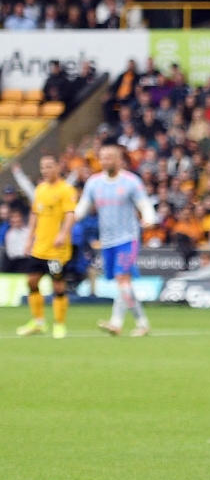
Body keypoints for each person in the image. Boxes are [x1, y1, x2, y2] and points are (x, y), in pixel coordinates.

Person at [75, 140, 156, 337]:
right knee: (124, 283)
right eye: (101, 158)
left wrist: (148, 218)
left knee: (122, 278)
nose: (104, 161)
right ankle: (143, 324)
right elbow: (82, 209)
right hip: (107, 241)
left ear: (119, 160)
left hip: (128, 239)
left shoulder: (130, 182)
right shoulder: (94, 183)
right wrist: (67, 218)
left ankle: (116, 322)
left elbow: (145, 205)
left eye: (108, 157)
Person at [15, 154, 76, 339]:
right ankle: (39, 322)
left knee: (57, 285)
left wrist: (62, 234)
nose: (46, 170)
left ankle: (59, 324)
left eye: (49, 166)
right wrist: (29, 239)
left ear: (58, 167)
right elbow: (34, 215)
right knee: (31, 281)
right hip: (39, 247)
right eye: (43, 167)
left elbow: (70, 215)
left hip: (57, 250)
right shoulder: (40, 190)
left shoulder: (66, 190)